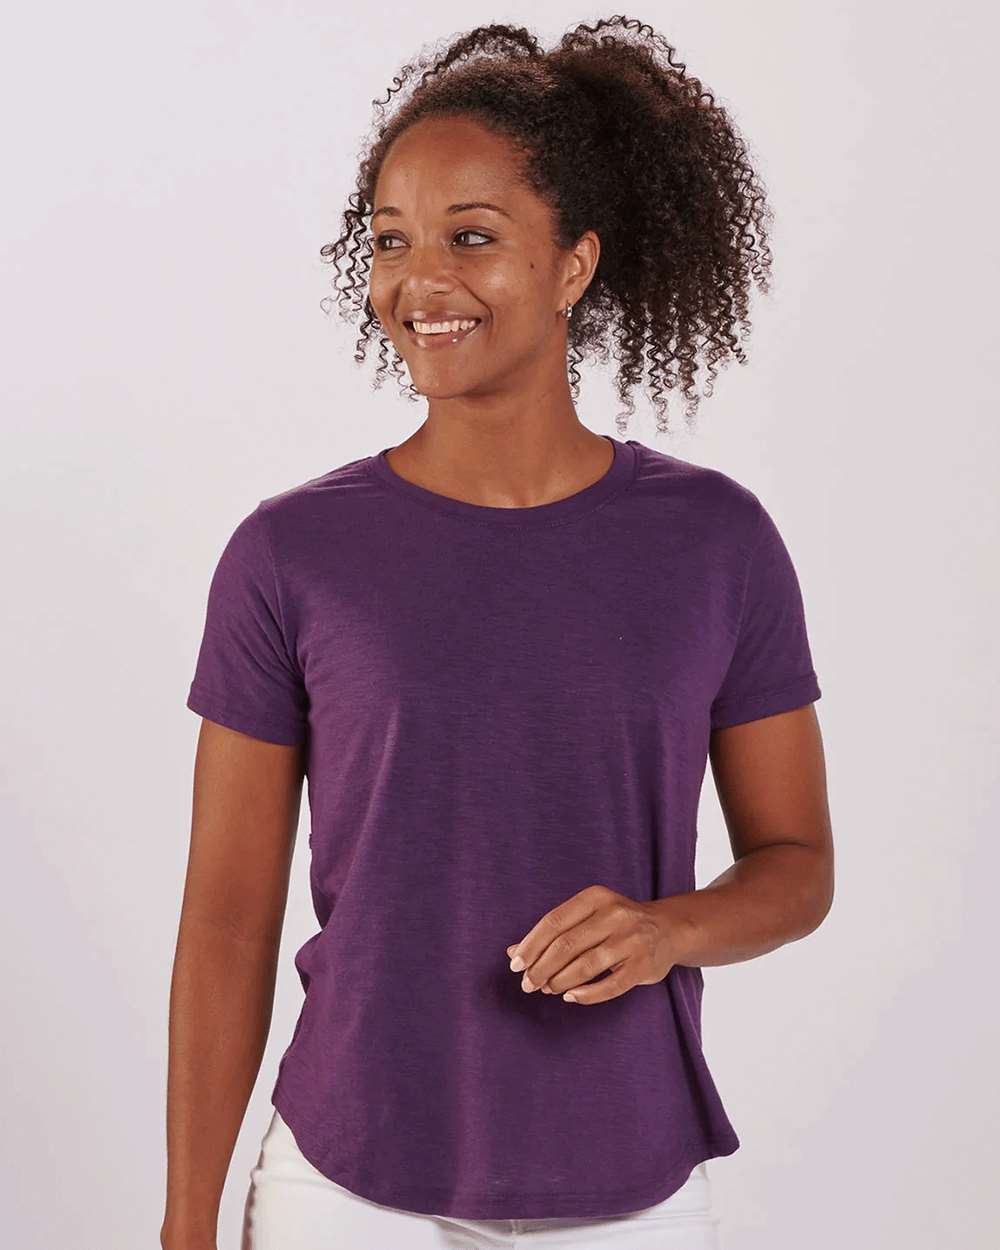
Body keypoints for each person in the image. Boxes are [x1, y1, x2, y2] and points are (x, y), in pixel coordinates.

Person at [161, 17, 834, 1250]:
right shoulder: (291, 553)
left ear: (573, 265)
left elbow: (796, 863)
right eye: (391, 240)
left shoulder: (715, 542)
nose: (420, 282)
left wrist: (667, 928)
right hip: (345, 1181)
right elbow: (224, 920)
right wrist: (185, 1224)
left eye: (470, 236)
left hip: (630, 1176)